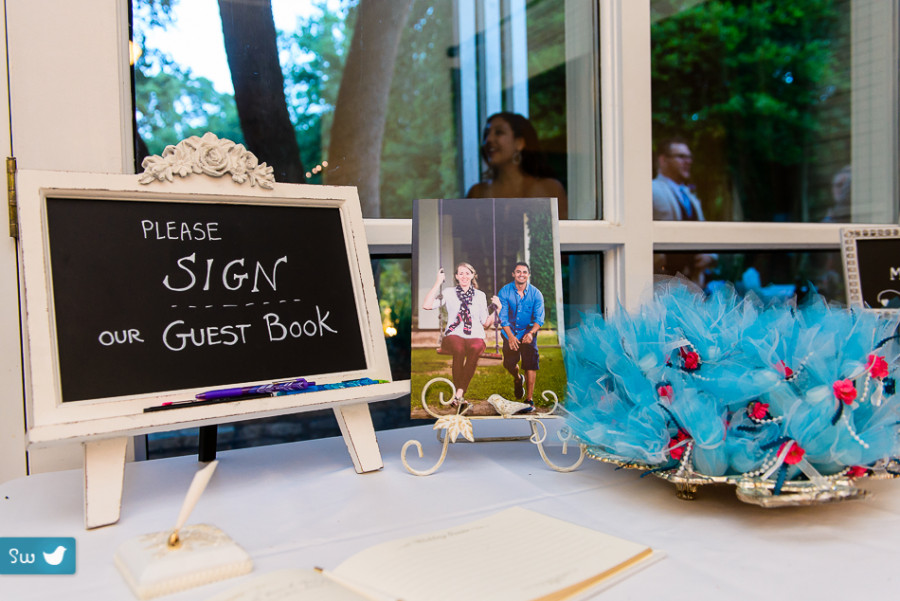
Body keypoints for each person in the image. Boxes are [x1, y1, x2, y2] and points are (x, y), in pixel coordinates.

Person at [422, 263, 500, 407]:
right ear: (456, 276)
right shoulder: (448, 292)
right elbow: (427, 305)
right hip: (454, 334)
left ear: (472, 275)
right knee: (459, 350)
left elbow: (485, 323)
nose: (464, 276)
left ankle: (458, 395)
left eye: (467, 273)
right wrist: (437, 282)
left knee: (475, 348)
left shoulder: (480, 295)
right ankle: (459, 396)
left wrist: (498, 310)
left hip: (475, 335)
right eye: (461, 273)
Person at [467, 112, 568, 219]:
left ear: (519, 143)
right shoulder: (477, 193)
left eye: (498, 132)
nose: (488, 140)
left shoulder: (549, 188)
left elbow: (559, 234)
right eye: (486, 134)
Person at [652, 137, 716, 285]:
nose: (688, 161)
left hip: (693, 284)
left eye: (689, 157)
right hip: (660, 284)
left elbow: (704, 230)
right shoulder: (651, 189)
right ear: (663, 160)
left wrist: (709, 256)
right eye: (681, 156)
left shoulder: (689, 195)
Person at [497, 262, 544, 412]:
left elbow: (539, 319)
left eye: (524, 272)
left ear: (528, 275)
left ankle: (529, 399)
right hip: (509, 331)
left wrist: (531, 333)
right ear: (513, 274)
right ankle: (518, 379)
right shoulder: (504, 292)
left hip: (528, 332)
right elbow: (502, 318)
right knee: (509, 364)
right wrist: (510, 337)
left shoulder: (536, 294)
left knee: (530, 362)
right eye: (518, 272)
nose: (521, 274)